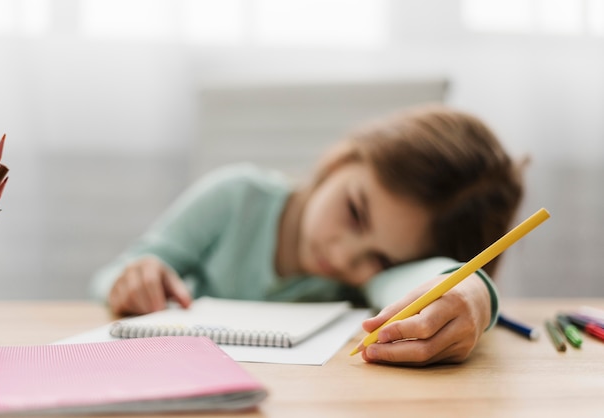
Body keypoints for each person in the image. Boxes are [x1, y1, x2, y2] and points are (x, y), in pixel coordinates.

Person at [90, 104, 524, 366]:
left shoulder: (366, 280)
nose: (345, 256)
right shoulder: (235, 198)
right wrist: (131, 281)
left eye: (382, 260)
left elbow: (424, 279)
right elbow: (111, 276)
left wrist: (472, 290)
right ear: (342, 160)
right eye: (355, 213)